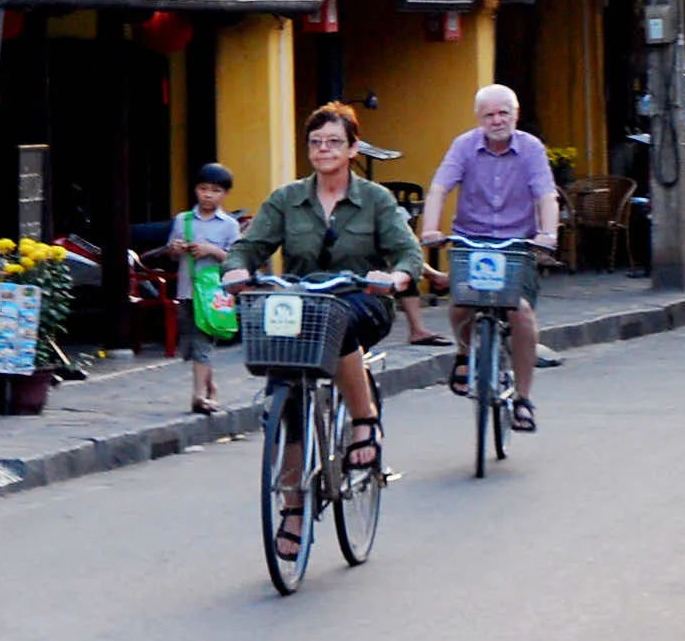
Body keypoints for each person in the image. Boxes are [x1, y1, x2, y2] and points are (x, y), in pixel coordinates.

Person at [226, 102, 421, 564]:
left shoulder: (376, 200)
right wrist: (236, 269)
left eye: (334, 141)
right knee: (286, 397)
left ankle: (363, 420)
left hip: (361, 301)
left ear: (353, 148)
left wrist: (396, 277)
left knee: (340, 321)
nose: (324, 149)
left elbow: (407, 252)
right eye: (315, 142)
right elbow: (249, 246)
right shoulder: (287, 199)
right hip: (301, 305)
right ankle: (293, 510)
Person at [418, 84, 560, 434]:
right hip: (471, 240)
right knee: (460, 303)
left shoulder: (531, 149)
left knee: (520, 312)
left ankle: (523, 398)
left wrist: (548, 234)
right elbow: (439, 188)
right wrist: (431, 229)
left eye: (503, 113)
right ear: (479, 118)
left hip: (516, 244)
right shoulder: (463, 146)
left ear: (516, 115)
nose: (497, 121)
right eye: (489, 115)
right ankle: (465, 353)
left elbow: (546, 195)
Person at [161, 162, 244, 416]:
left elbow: (236, 258)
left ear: (225, 194)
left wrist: (211, 251)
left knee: (202, 342)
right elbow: (171, 254)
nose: (208, 195)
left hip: (213, 296)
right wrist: (176, 249)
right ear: (196, 190)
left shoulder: (229, 225)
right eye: (203, 189)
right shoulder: (183, 220)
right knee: (192, 345)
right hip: (187, 291)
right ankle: (211, 387)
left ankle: (198, 397)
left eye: (215, 191)